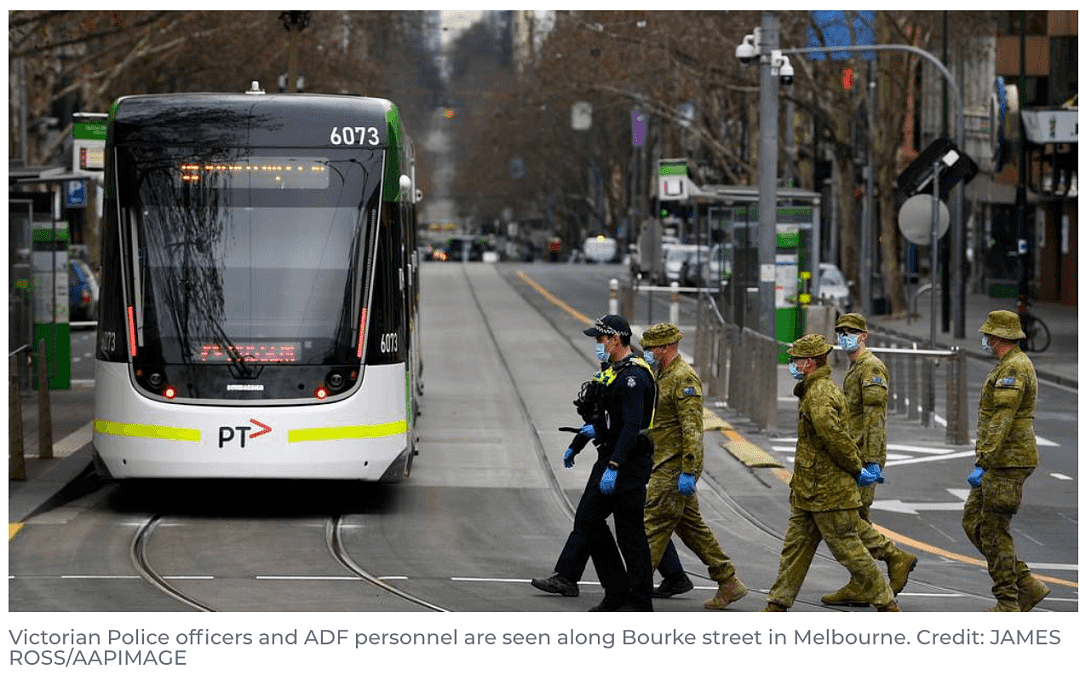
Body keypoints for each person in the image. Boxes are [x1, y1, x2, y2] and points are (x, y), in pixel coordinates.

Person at [762, 334, 899, 612]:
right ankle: (776, 605)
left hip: (828, 490)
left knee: (849, 548)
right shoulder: (815, 389)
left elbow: (834, 437)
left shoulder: (820, 393)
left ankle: (887, 605)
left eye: (796, 360)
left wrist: (857, 467)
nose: (792, 364)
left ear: (809, 363)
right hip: (809, 490)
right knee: (795, 548)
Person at [640, 322, 747, 610]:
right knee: (692, 529)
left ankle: (633, 590)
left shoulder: (683, 378)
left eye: (650, 349)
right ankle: (728, 581)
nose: (647, 353)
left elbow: (692, 430)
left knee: (651, 527)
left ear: (665, 348)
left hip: (673, 468)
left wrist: (689, 470)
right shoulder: (663, 374)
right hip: (664, 462)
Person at [559, 314, 656, 611]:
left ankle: (638, 602)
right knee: (588, 520)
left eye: (600, 340)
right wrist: (579, 441)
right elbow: (605, 419)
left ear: (615, 339)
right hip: (611, 454)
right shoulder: (614, 371)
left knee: (630, 532)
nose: (598, 345)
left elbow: (630, 425)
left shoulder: (634, 377)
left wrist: (614, 466)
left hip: (627, 460)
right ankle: (616, 590)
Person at [820, 313, 918, 606]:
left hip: (863, 457)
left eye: (850, 332)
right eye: (840, 333)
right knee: (856, 519)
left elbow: (875, 419)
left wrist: (872, 462)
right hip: (853, 454)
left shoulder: (871, 368)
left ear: (864, 336)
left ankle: (895, 557)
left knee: (849, 520)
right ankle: (860, 582)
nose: (844, 337)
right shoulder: (856, 367)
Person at [962, 310, 1049, 612]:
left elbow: (1002, 419)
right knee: (973, 521)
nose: (984, 340)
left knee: (994, 530)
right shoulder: (1007, 365)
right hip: (999, 460)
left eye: (987, 335)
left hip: (1006, 461)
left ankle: (1008, 602)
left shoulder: (1014, 369)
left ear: (999, 337)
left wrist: (983, 461)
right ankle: (1026, 583)